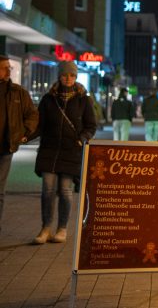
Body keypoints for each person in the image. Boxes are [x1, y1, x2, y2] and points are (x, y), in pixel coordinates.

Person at [33, 61, 96, 244]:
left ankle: (62, 228)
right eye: (65, 75)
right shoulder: (48, 99)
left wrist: (81, 138)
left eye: (71, 75)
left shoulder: (83, 99)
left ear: (75, 77)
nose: (68, 79)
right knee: (47, 190)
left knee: (65, 191)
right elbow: (39, 125)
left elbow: (91, 125)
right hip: (49, 150)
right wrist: (22, 136)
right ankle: (45, 228)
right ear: (59, 76)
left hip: (71, 151)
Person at [0, 55, 38, 234]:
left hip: (5, 148)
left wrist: (25, 133)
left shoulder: (17, 92)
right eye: (4, 68)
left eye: (9, 67)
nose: (8, 71)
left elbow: (32, 114)